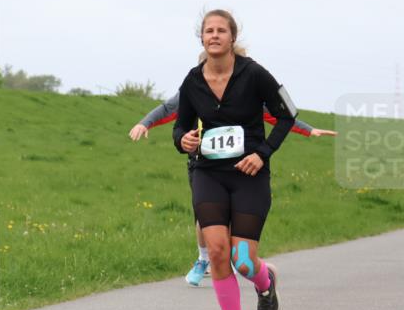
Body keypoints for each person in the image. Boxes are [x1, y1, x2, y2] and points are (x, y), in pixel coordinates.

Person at [172, 10, 297, 310]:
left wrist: (264, 153)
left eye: (221, 30)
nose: (214, 35)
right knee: (216, 251)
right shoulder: (192, 81)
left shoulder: (254, 73)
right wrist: (183, 140)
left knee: (243, 259)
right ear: (202, 38)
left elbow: (289, 113)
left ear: (232, 37)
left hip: (249, 175)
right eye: (208, 31)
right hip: (208, 173)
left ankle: (265, 282)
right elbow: (179, 127)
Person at [130, 93, 336, 286]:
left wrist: (308, 129)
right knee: (204, 215)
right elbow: (167, 109)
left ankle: (233, 259)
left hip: (236, 164)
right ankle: (203, 259)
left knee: (230, 214)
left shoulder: (243, 89)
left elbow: (274, 115)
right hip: (202, 164)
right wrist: (144, 123)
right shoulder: (193, 88)